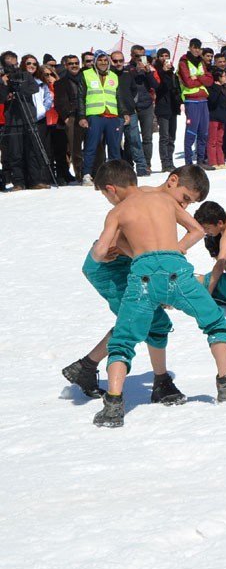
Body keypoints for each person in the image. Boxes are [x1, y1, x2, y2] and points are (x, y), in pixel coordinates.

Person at [87, 162, 226, 428]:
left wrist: (107, 252)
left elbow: (99, 252)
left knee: (123, 339)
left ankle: (113, 404)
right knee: (213, 319)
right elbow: (198, 230)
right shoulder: (166, 202)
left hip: (141, 277)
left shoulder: (118, 211)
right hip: (176, 273)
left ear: (113, 189)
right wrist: (173, 251)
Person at [61, 162, 210, 403]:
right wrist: (160, 276)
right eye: (185, 198)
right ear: (172, 181)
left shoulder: (160, 200)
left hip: (128, 265)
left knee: (144, 320)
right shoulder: (146, 196)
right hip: (107, 267)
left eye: (190, 203)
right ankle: (159, 382)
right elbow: (118, 240)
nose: (185, 205)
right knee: (142, 320)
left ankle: (87, 367)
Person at [77, 51, 127, 186]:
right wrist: (82, 116)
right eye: (100, 60)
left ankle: (115, 176)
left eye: (105, 60)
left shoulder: (114, 76)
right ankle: (87, 174)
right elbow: (80, 97)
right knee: (91, 146)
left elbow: (118, 97)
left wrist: (123, 113)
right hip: (95, 115)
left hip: (112, 115)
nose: (103, 63)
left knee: (114, 147)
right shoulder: (86, 75)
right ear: (95, 61)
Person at [177, 39, 213, 166]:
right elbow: (188, 82)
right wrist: (201, 79)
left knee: (204, 132)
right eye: (195, 47)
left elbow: (210, 80)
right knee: (191, 132)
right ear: (190, 47)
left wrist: (198, 78)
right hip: (191, 101)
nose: (197, 50)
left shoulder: (201, 62)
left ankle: (201, 160)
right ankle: (188, 162)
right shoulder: (183, 62)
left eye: (199, 48)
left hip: (203, 100)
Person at [53, 54, 83, 181]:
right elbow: (59, 102)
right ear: (66, 65)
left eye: (76, 63)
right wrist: (66, 117)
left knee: (93, 146)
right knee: (75, 148)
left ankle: (92, 171)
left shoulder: (84, 79)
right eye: (71, 63)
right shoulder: (60, 83)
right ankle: (80, 174)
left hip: (87, 115)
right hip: (71, 117)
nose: (74, 66)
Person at [151, 49, 182, 171]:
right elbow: (159, 87)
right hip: (162, 107)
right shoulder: (157, 72)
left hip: (173, 106)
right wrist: (163, 72)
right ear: (158, 58)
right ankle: (165, 163)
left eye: (167, 56)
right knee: (164, 136)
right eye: (162, 56)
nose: (165, 58)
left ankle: (170, 160)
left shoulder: (172, 73)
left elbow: (176, 87)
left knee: (172, 136)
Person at [206, 68, 226, 168]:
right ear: (218, 78)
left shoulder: (224, 88)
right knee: (212, 141)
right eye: (224, 76)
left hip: (221, 118)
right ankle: (213, 162)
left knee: (220, 141)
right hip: (213, 118)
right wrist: (217, 87)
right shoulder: (212, 88)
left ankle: (221, 161)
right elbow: (212, 101)